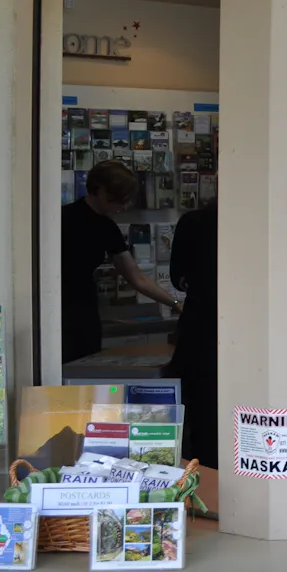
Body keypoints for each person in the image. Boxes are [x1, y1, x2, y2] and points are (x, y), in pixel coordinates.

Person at [62, 160, 181, 364]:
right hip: (62, 310)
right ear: (100, 191)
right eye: (120, 199)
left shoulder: (106, 227)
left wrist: (175, 303)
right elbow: (137, 278)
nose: (124, 206)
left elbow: (136, 277)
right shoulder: (62, 219)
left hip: (84, 312)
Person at [166, 199, 218, 468]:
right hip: (249, 328)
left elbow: (178, 278)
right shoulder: (258, 223)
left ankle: (202, 484)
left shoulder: (193, 222)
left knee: (201, 417)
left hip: (200, 328)